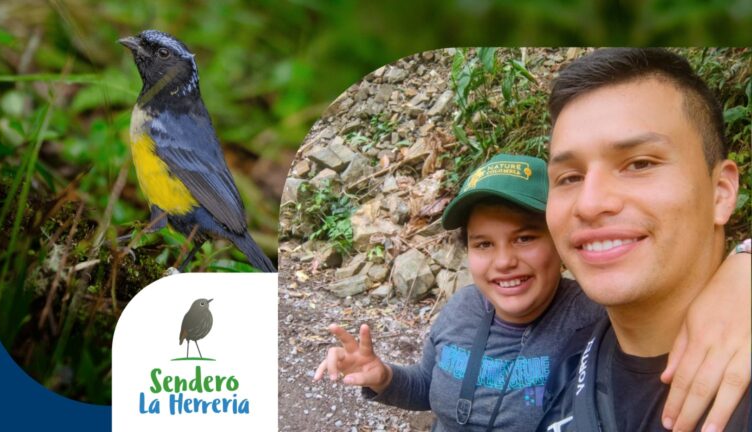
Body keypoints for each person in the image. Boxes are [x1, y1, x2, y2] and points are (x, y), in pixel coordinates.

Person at [314, 153, 750, 431]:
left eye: (525, 238)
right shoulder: (463, 308)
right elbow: (429, 386)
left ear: (561, 240)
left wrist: (743, 265)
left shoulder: (604, 316)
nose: (503, 261)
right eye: (484, 244)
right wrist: (383, 376)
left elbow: (682, 295)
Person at [537, 48, 750, 431]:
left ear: (720, 192)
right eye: (569, 178)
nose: (590, 204)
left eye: (639, 164)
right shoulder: (567, 366)